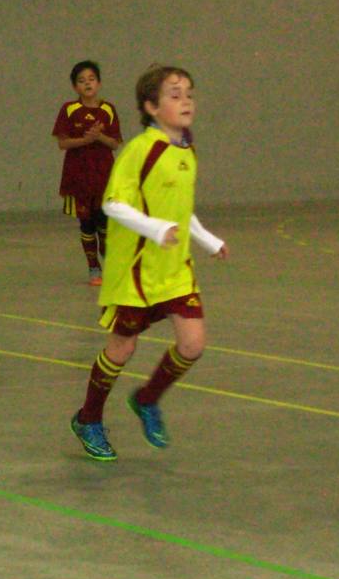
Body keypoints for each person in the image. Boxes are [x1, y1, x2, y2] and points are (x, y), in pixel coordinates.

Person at [69, 64, 229, 461]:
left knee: (193, 343)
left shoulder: (186, 148)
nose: (186, 100)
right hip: (137, 272)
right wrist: (153, 229)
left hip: (175, 269)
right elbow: (112, 204)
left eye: (189, 93)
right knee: (122, 349)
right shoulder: (142, 149)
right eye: (174, 94)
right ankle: (88, 418)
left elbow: (181, 208)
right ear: (151, 107)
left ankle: (146, 398)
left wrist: (207, 240)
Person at [52, 60, 122, 285]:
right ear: (75, 87)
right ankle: (94, 267)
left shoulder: (108, 109)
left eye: (91, 79)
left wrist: (99, 137)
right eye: (81, 81)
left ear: (99, 83)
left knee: (105, 223)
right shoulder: (69, 110)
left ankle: (110, 262)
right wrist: (85, 140)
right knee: (87, 224)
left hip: (104, 177)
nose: (87, 84)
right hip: (79, 178)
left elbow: (114, 143)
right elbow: (63, 143)